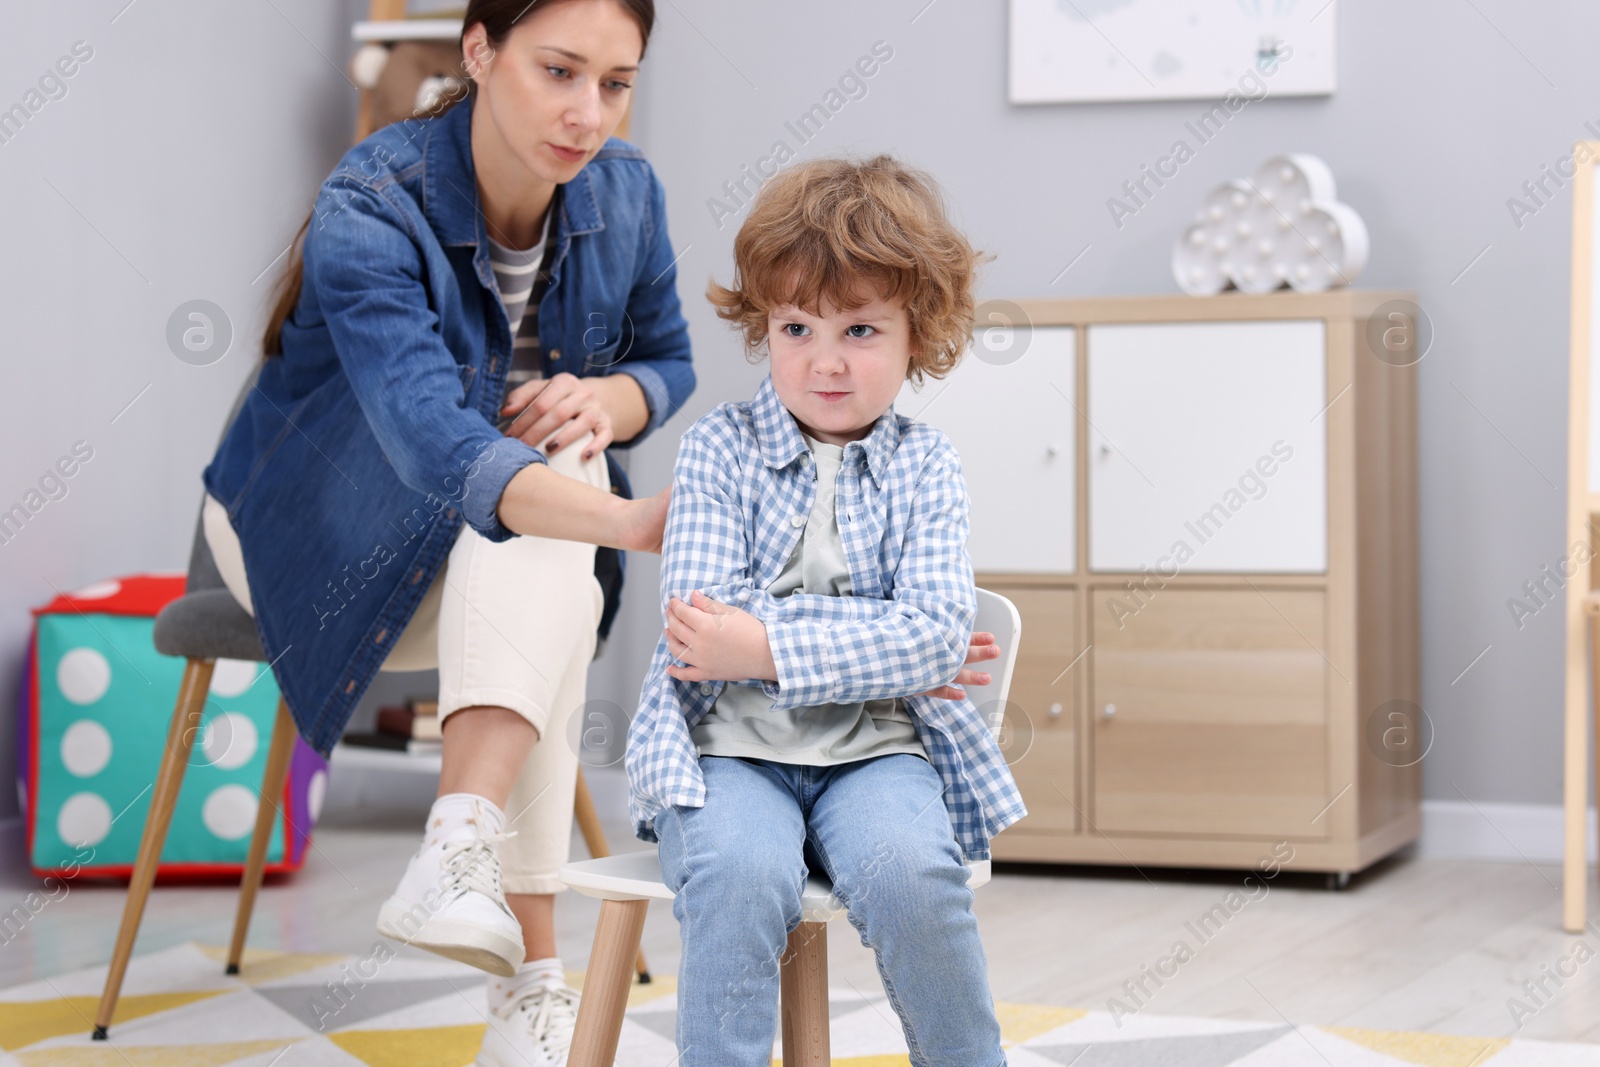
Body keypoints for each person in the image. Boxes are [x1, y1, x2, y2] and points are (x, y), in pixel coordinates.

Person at [201, 1, 691, 1062]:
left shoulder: (627, 193)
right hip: (305, 526)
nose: (588, 113)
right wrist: (638, 522)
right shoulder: (372, 201)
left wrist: (609, 399)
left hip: (498, 557)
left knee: (558, 498)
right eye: (559, 70)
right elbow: (437, 450)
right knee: (556, 527)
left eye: (615, 82)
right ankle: (531, 979)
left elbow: (670, 363)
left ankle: (456, 845)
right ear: (478, 51)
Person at [624, 155, 1027, 1066]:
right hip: (729, 751)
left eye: (861, 328)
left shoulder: (930, 466)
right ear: (764, 325)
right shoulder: (716, 451)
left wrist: (761, 639)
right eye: (797, 326)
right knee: (737, 873)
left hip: (878, 749)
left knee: (915, 877)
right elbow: (697, 625)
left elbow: (932, 640)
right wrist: (878, 638)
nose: (826, 359)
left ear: (917, 335)